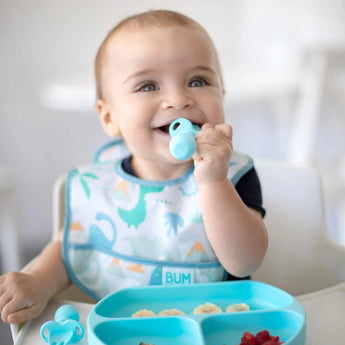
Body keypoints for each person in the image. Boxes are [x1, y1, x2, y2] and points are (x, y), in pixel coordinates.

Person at [0, 9, 268, 324]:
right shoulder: (96, 184)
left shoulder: (233, 174)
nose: (178, 100)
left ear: (221, 94)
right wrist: (39, 282)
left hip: (215, 325)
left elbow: (245, 262)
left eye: (198, 81)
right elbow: (70, 246)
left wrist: (213, 182)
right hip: (120, 327)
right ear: (109, 117)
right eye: (148, 86)